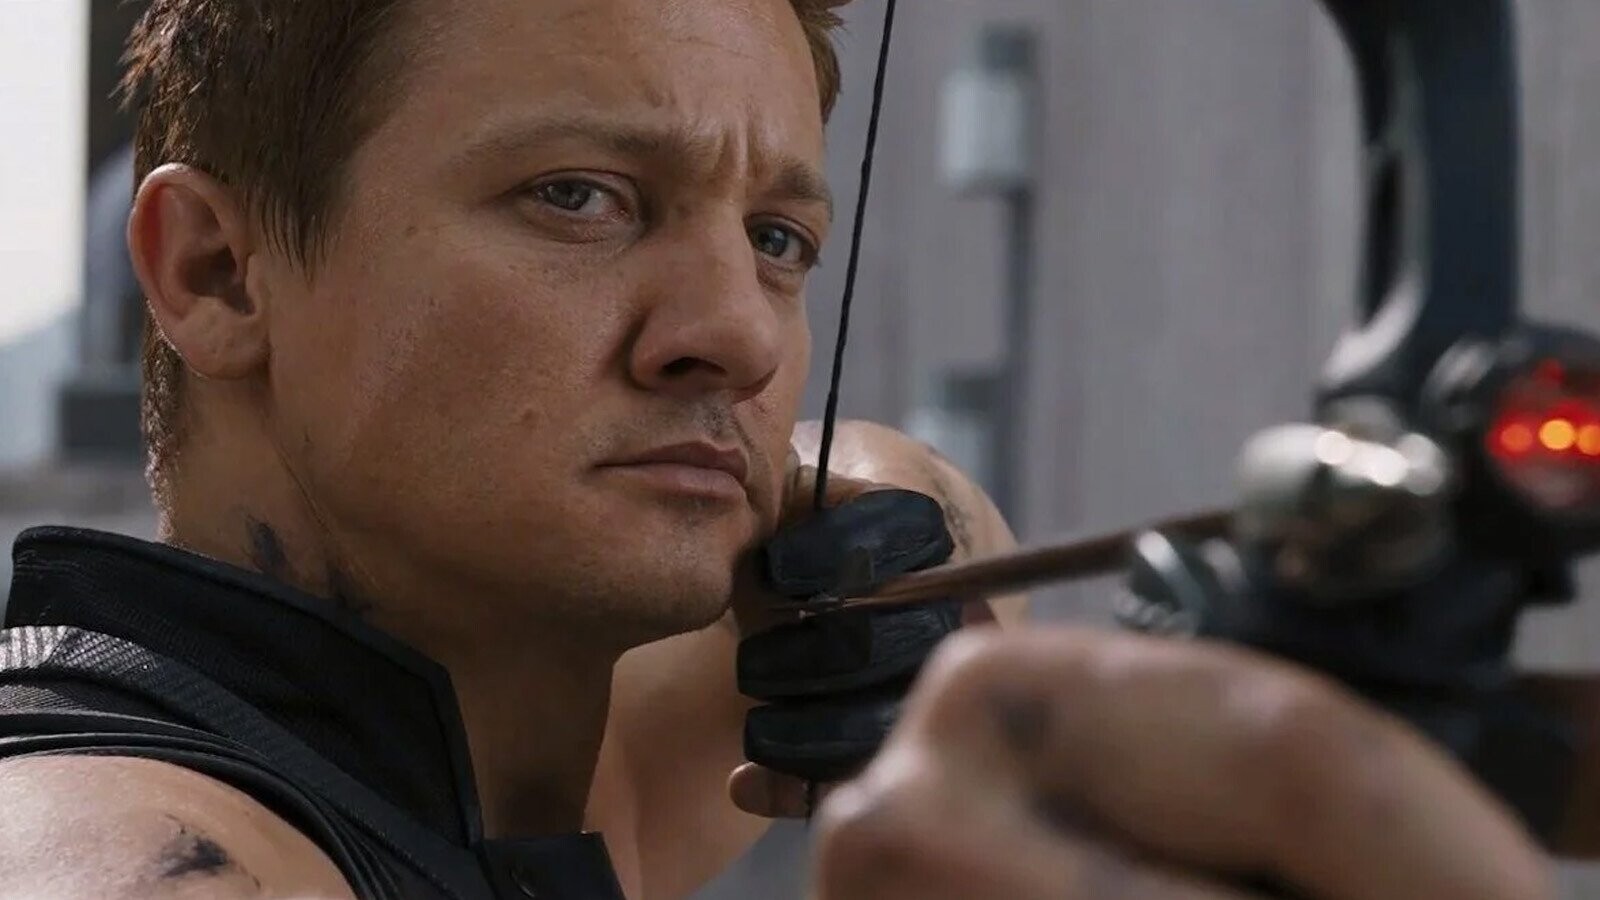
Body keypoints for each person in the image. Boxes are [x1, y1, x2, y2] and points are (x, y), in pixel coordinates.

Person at [0, 1, 1014, 898]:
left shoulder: (523, 786)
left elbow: (959, 544)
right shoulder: (147, 861)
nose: (742, 336)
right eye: (576, 196)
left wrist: (879, 522)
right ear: (216, 272)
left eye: (776, 240)